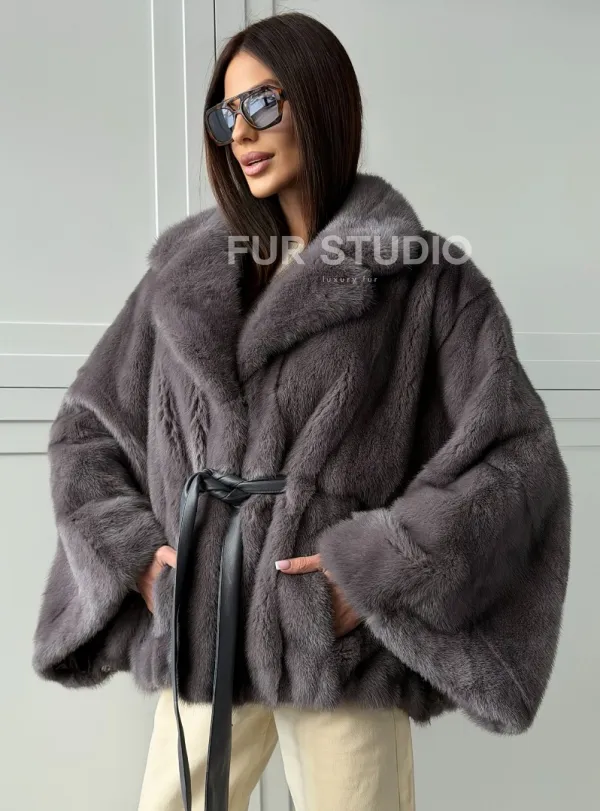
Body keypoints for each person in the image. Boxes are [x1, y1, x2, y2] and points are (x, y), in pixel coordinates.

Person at [31, 11, 571, 811]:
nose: (241, 133)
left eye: (262, 104)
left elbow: (516, 457)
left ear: (320, 101)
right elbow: (86, 432)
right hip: (209, 628)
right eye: (226, 115)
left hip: (334, 652)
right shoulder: (180, 277)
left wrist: (379, 572)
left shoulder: (424, 279)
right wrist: (139, 558)